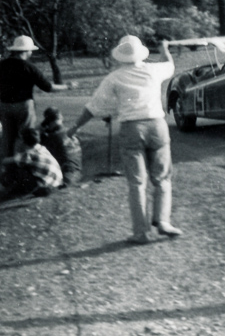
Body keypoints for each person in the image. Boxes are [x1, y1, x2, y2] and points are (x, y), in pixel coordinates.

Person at [67, 36, 182, 245]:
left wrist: (75, 127)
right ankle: (163, 220)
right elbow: (170, 66)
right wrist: (164, 48)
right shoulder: (153, 70)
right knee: (162, 176)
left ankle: (141, 232)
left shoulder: (114, 77)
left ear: (120, 55)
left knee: (137, 182)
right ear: (141, 54)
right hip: (157, 125)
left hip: (131, 128)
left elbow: (93, 107)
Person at [0, 36, 71, 161]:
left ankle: (7, 166)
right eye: (30, 50)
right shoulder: (29, 67)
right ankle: (24, 163)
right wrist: (67, 87)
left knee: (7, 137)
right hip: (23, 105)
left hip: (4, 105)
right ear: (26, 51)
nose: (31, 53)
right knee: (26, 136)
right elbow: (47, 87)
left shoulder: (3, 65)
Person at [0, 127, 62, 200]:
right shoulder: (41, 148)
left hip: (44, 188)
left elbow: (4, 161)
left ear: (23, 141)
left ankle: (6, 192)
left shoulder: (28, 154)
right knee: (23, 167)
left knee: (15, 170)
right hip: (54, 184)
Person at [40, 107, 82, 187]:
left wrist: (42, 135)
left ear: (49, 122)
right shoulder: (71, 132)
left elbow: (38, 151)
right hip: (77, 174)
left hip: (66, 178)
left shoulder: (52, 137)